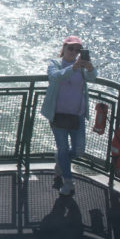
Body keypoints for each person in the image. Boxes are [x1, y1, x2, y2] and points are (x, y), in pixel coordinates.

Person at [40, 35, 97, 197]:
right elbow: (55, 76)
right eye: (70, 48)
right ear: (63, 48)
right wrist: (73, 68)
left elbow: (93, 78)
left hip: (77, 115)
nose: (73, 52)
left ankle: (60, 160)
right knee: (63, 148)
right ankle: (68, 181)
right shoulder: (55, 63)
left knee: (78, 150)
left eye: (77, 50)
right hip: (58, 115)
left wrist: (90, 68)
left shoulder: (82, 67)